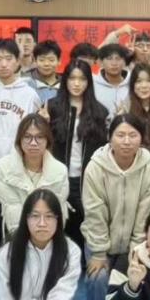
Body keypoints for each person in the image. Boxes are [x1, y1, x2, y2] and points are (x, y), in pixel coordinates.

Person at [79, 114, 150, 300]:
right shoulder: (95, 167)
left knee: (134, 275)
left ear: (141, 138)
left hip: (134, 241)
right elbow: (94, 213)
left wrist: (136, 250)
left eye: (133, 135)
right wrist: (99, 252)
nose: (126, 141)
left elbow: (147, 214)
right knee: (98, 277)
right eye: (120, 135)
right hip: (100, 238)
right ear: (110, 138)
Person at [40, 59, 109, 249]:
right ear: (65, 80)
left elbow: (103, 149)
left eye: (82, 79)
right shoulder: (52, 107)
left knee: (82, 227)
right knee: (56, 224)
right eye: (72, 78)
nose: (77, 84)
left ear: (89, 82)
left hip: (86, 179)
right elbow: (41, 141)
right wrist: (44, 123)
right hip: (56, 176)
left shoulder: (99, 112)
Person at [0, 114, 69, 237]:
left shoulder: (60, 171)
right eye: (27, 137)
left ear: (47, 140)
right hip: (17, 235)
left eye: (39, 137)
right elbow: (13, 211)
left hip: (49, 237)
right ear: (19, 140)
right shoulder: (4, 168)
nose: (33, 143)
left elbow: (56, 213)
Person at [94, 43, 131, 116]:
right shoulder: (93, 83)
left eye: (118, 59)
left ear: (124, 62)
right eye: (109, 59)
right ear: (101, 62)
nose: (114, 63)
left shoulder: (133, 82)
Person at [25, 40, 61, 104]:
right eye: (42, 60)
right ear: (35, 61)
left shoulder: (65, 84)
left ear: (59, 61)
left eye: (51, 60)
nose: (46, 64)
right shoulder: (25, 82)